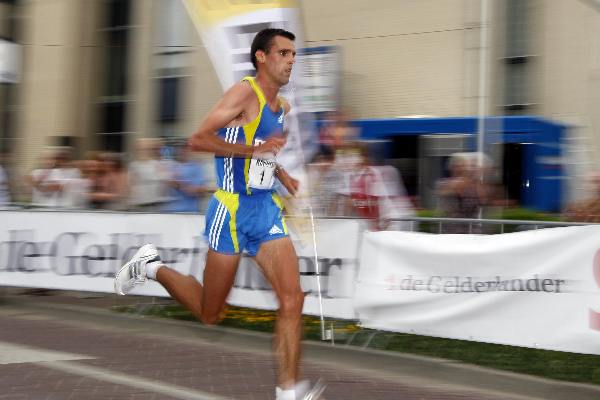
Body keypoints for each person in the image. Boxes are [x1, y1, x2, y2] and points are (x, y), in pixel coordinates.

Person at [114, 28, 324, 400]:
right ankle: (150, 267)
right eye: (285, 53)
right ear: (262, 56)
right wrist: (251, 152)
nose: (292, 60)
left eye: (294, 54)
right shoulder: (245, 93)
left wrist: (283, 173)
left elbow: (265, 152)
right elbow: (198, 140)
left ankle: (288, 393)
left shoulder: (282, 108)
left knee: (293, 299)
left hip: (264, 210)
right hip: (230, 210)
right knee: (211, 314)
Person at [162, 143, 211, 213]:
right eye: (180, 150)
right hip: (172, 211)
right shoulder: (171, 166)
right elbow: (165, 190)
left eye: (185, 150)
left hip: (190, 211)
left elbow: (203, 191)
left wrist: (182, 186)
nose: (182, 153)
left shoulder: (197, 167)